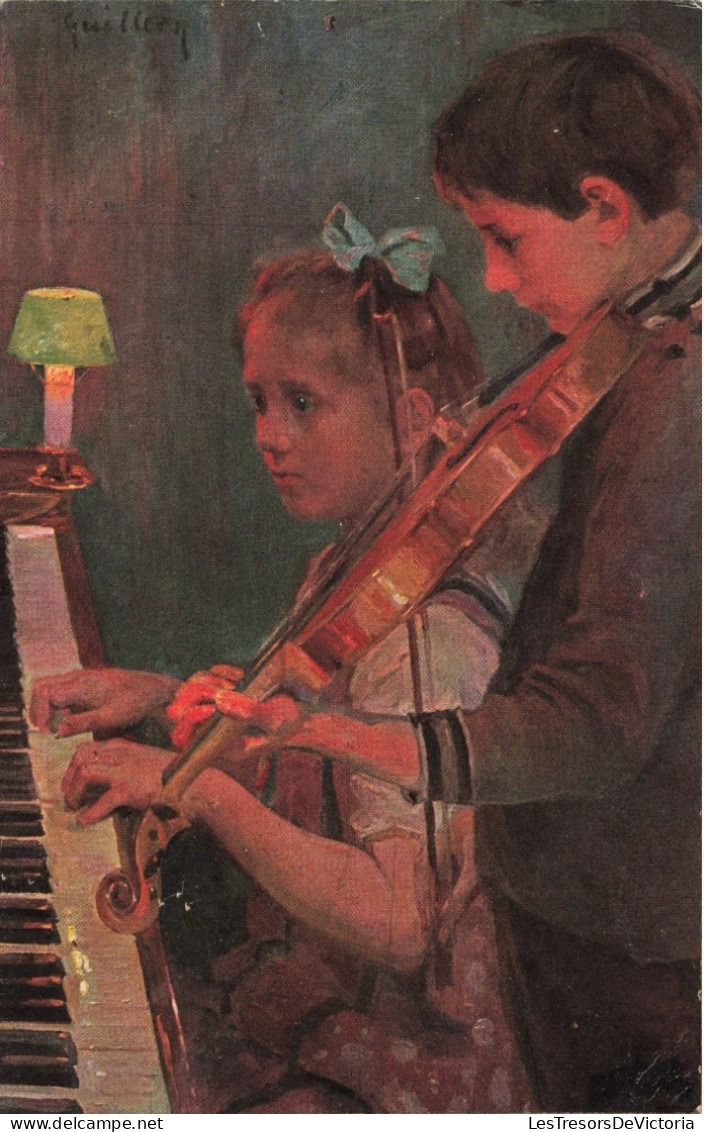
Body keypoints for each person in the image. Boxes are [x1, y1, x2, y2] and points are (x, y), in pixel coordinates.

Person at [168, 32, 702, 1114]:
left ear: (603, 207)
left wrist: (353, 738)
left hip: (608, 929)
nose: (496, 282)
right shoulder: (634, 348)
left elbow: (599, 714)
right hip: (579, 916)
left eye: (503, 240)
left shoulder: (671, 392)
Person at [31, 215, 539, 1112]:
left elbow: (401, 924)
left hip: (408, 1057)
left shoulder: (426, 641)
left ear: (413, 421)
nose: (269, 435)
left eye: (301, 404)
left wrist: (198, 790)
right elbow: (297, 736)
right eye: (258, 402)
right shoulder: (352, 565)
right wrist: (159, 700)